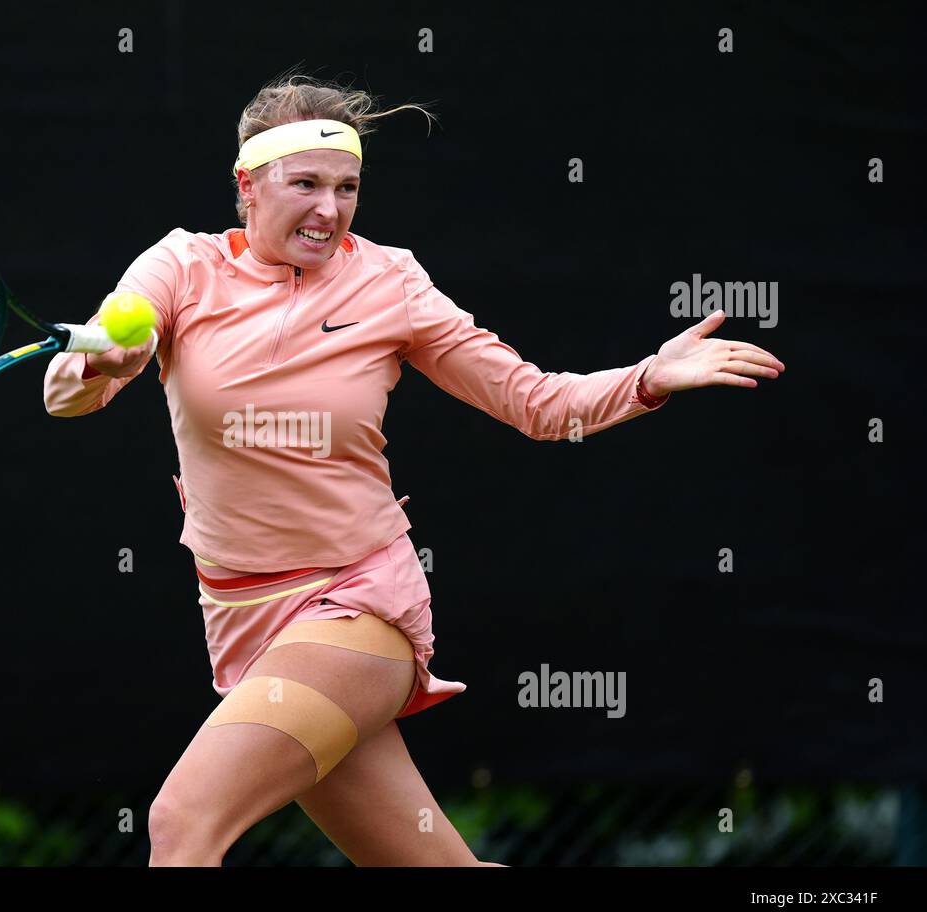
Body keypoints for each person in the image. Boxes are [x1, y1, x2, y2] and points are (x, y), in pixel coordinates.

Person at [43, 72, 785, 866]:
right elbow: (68, 395)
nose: (329, 209)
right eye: (306, 184)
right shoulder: (180, 267)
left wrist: (645, 377)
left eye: (347, 187)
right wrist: (102, 362)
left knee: (181, 823)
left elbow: (534, 402)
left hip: (355, 609)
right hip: (242, 623)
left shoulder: (391, 282)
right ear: (247, 186)